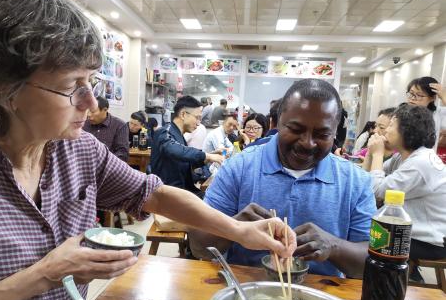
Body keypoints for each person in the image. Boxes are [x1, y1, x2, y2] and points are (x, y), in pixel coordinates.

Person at [0, 0, 295, 300]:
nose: (91, 103)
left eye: (90, 82)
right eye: (71, 87)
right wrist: (46, 273)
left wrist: (240, 230)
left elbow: (153, 193)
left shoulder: (75, 147)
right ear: (4, 88)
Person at [189, 79, 376, 278]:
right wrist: (233, 227)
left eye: (322, 134)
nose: (307, 143)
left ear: (335, 132)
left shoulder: (356, 182)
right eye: (295, 130)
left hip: (323, 298)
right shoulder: (239, 167)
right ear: (277, 122)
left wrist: (334, 246)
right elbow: (198, 247)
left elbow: (372, 264)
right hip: (245, 294)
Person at [365, 104, 446, 280]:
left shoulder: (421, 163)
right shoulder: (403, 157)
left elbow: (378, 191)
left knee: (367, 240)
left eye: (391, 125)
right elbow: (366, 181)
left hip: (430, 241)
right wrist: (370, 154)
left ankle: (401, 282)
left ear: (406, 130)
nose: (385, 131)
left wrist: (377, 154)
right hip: (411, 232)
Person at [151, 96, 225, 196]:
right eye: (197, 118)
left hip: (182, 192)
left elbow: (185, 163)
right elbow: (172, 149)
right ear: (183, 114)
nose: (199, 123)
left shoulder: (179, 135)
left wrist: (208, 156)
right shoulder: (165, 132)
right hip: (167, 196)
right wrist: (207, 156)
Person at [83, 96, 129, 162]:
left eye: (92, 111)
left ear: (105, 110)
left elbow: (122, 154)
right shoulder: (83, 124)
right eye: (87, 111)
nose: (89, 115)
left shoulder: (119, 125)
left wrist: (104, 165)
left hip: (109, 168)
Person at [405, 76, 446, 150]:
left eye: (419, 95)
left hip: (426, 158)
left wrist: (444, 97)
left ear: (432, 98)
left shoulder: (438, 113)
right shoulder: (402, 113)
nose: (413, 98)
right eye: (411, 94)